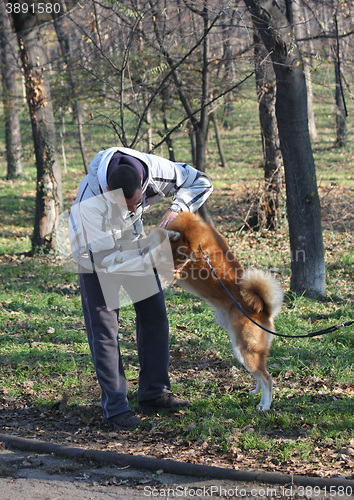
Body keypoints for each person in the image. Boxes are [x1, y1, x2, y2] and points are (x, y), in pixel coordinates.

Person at [69, 146, 213, 430]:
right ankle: (116, 408)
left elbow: (202, 182)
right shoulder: (90, 205)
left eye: (136, 204)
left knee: (154, 315)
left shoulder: (155, 170)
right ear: (109, 189)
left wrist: (177, 209)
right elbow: (108, 259)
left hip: (132, 239)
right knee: (105, 327)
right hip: (93, 250)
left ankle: (153, 393)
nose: (134, 209)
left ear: (143, 185)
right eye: (126, 207)